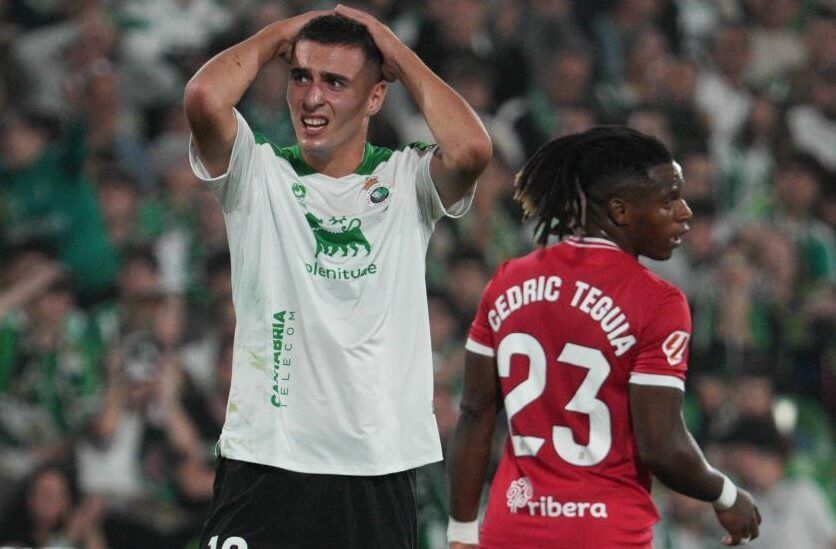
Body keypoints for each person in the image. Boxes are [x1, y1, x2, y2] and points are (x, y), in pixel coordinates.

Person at [183, 4, 491, 548]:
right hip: (268, 459)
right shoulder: (258, 174)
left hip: (377, 467)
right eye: (300, 76)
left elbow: (471, 149)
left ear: (376, 97)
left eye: (335, 82)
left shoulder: (406, 179)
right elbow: (205, 99)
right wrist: (280, 35)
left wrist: (391, 49)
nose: (312, 97)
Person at [446, 127, 761, 548]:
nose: (685, 212)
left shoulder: (506, 280)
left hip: (512, 527)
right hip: (604, 532)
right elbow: (662, 447)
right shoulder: (658, 301)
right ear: (620, 211)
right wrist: (726, 494)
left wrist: (462, 530)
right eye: (668, 200)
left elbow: (474, 413)